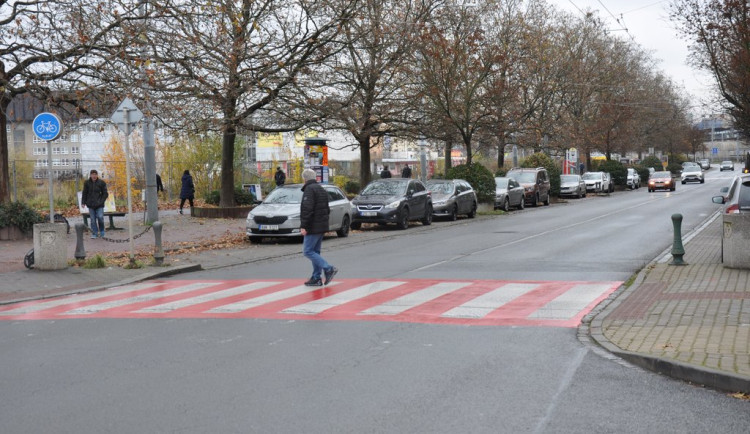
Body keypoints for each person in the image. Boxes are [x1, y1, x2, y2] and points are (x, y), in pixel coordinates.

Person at [300, 168, 338, 287]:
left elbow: (307, 209)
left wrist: (304, 226)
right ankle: (316, 277)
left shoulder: (309, 190)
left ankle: (328, 268)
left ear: (304, 179)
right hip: (321, 225)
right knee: (315, 251)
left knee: (307, 251)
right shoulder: (321, 189)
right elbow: (326, 209)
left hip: (313, 226)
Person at [81, 169, 109, 239]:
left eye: (95, 174)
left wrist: (101, 201)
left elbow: (105, 193)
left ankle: (102, 230)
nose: (94, 176)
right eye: (92, 174)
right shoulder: (87, 183)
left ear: (97, 175)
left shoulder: (102, 183)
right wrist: (83, 202)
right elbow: (84, 193)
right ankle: (94, 233)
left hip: (99, 205)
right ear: (90, 175)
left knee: (100, 217)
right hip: (91, 204)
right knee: (93, 220)